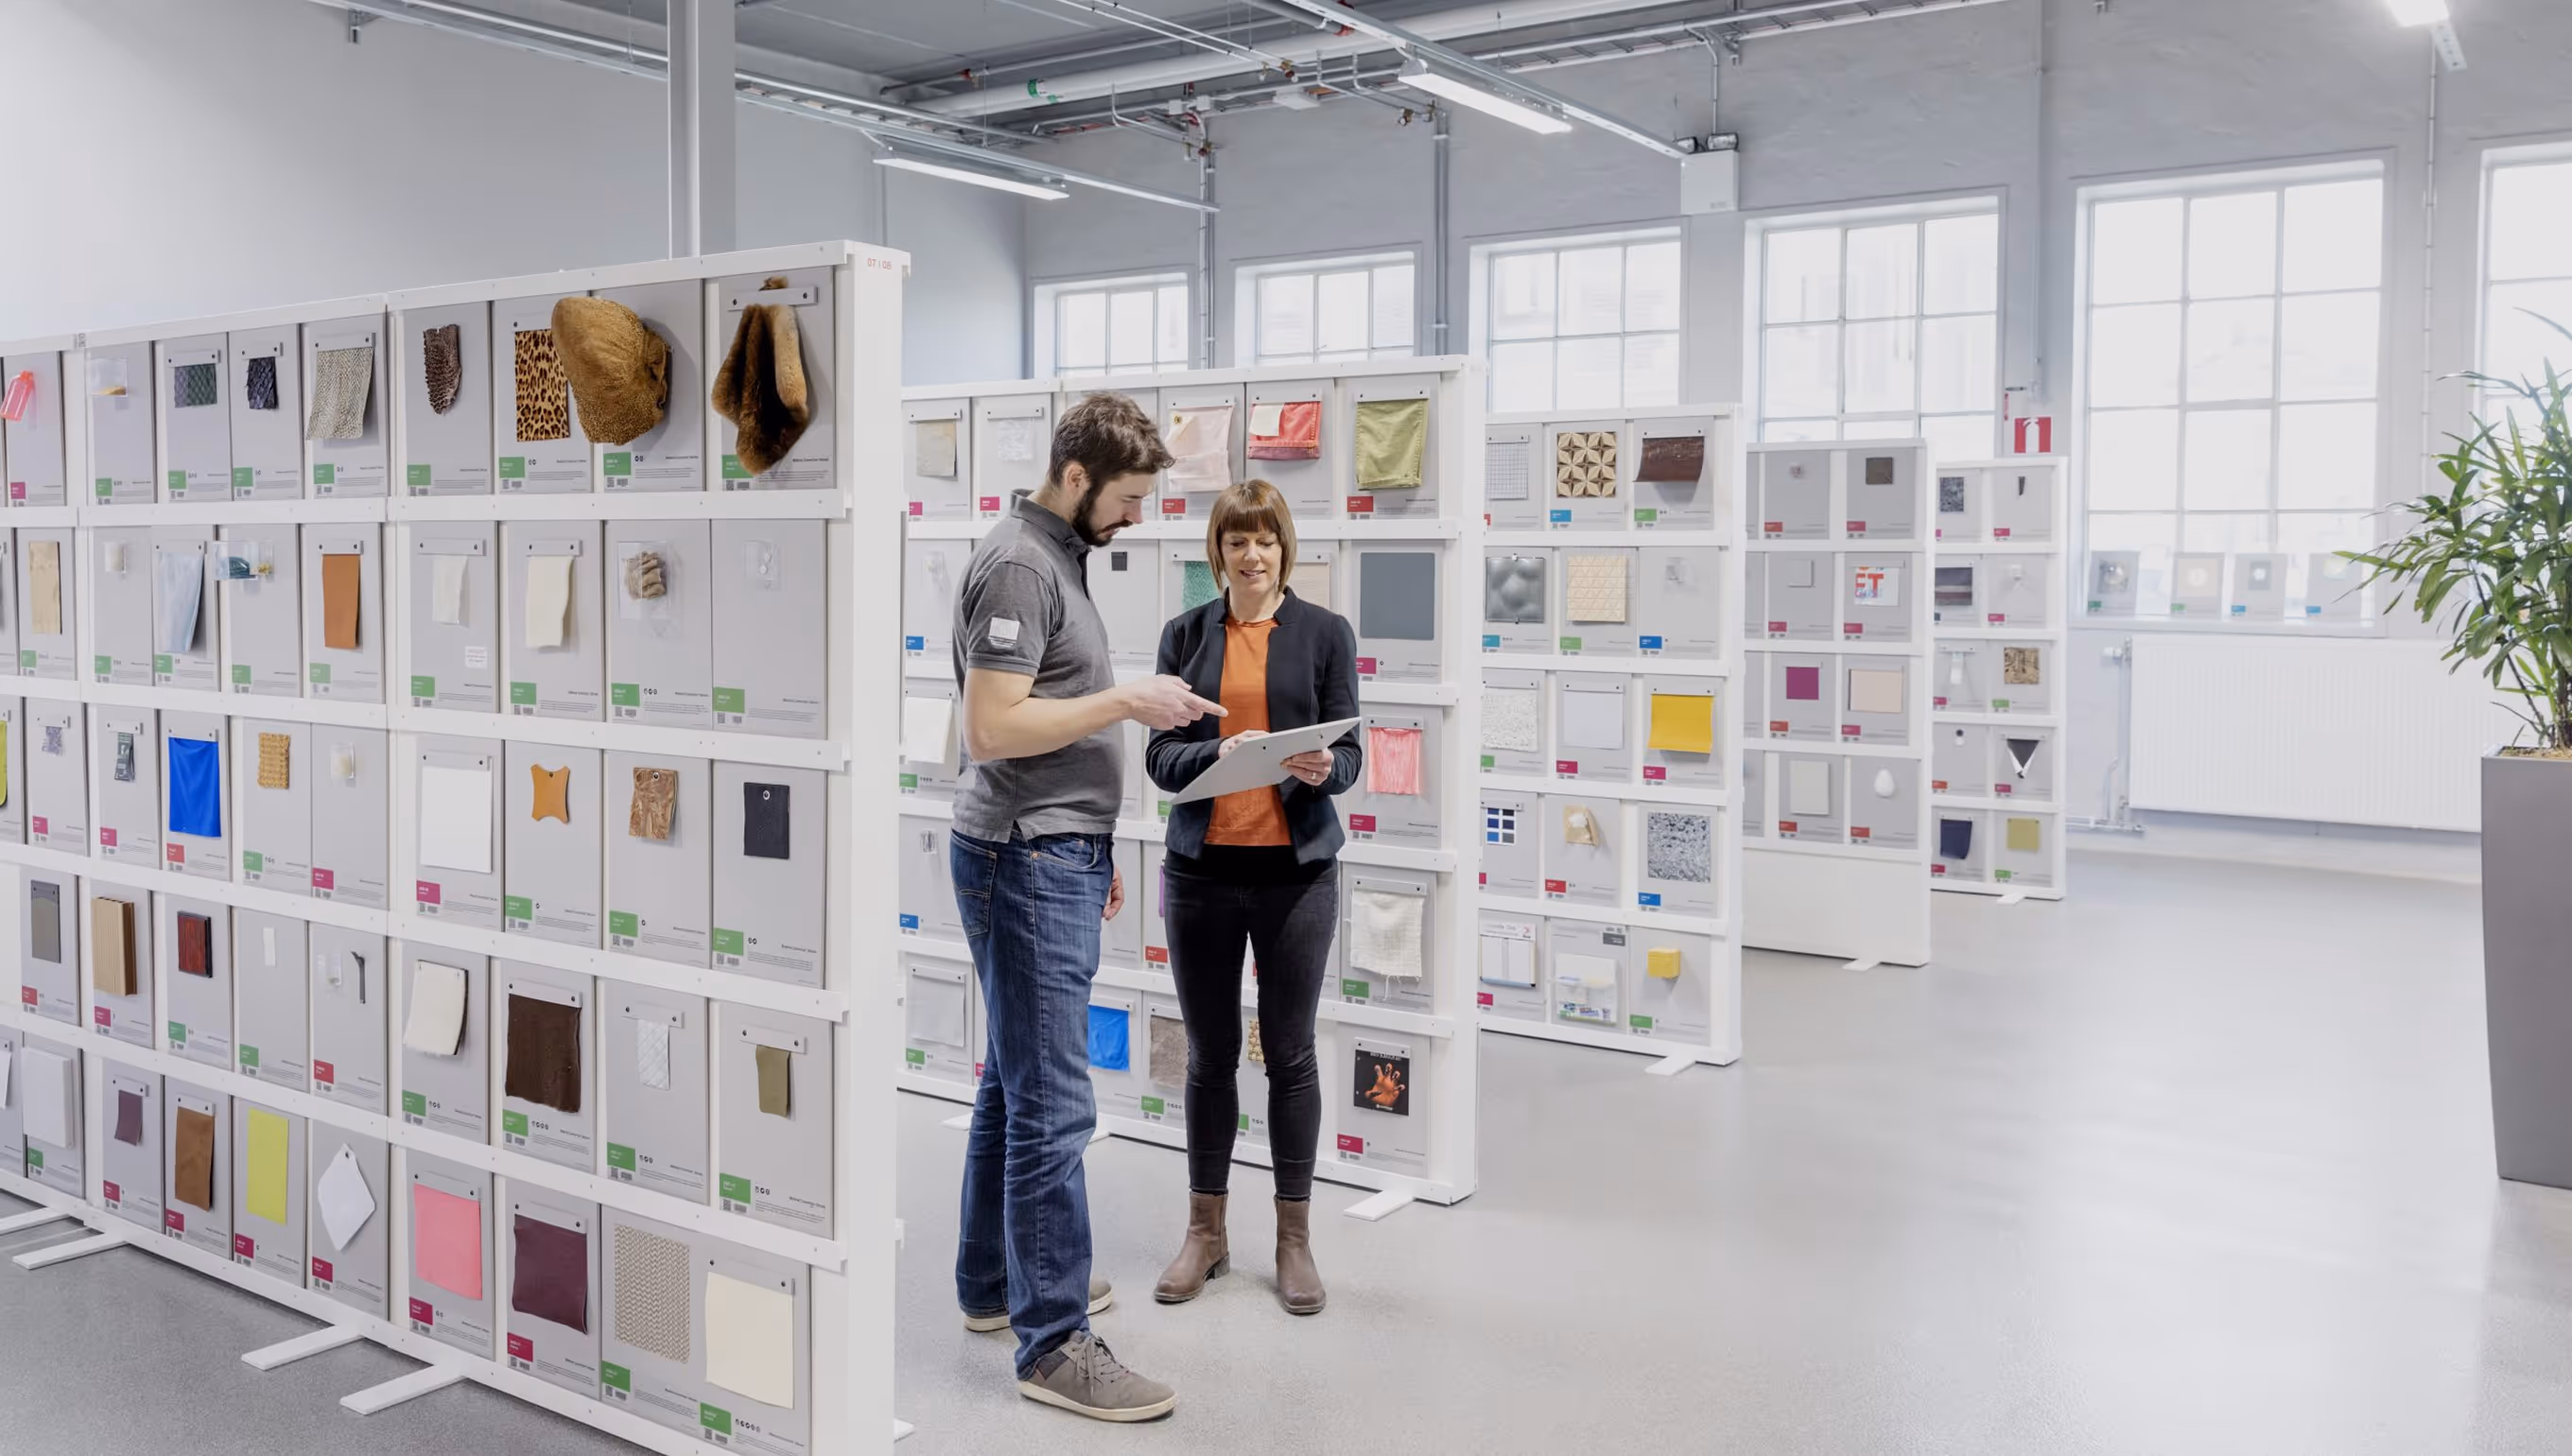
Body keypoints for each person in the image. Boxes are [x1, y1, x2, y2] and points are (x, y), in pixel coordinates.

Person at [949, 392, 1222, 1422]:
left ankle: (992, 1285)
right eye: (1127, 497)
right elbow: (991, 726)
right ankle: (1052, 1341)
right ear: (1074, 478)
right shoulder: (1022, 562)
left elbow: (1033, 720)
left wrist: (1090, 836)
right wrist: (1128, 700)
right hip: (1022, 853)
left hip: (1046, 846)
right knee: (1054, 1103)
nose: (1136, 517)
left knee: (1012, 1085)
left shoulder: (1053, 553)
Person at [1144, 477, 1362, 1317]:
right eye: (1237, 540)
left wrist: (1321, 767)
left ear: (1284, 547)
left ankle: (1294, 1240)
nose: (1252, 554)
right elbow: (1164, 764)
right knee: (1209, 1056)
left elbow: (1351, 756)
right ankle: (1206, 1233)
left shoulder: (1324, 634)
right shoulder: (1186, 635)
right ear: (1219, 552)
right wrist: (1216, 755)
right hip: (1200, 873)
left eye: (1265, 539)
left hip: (1296, 876)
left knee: (1291, 1054)